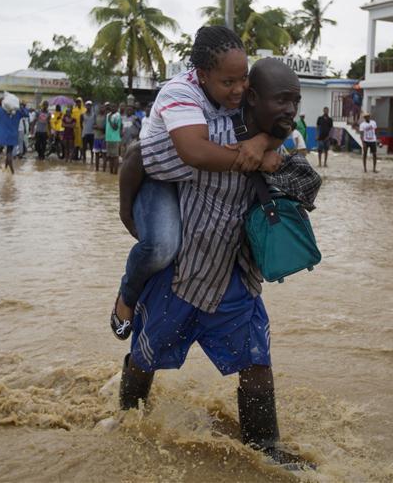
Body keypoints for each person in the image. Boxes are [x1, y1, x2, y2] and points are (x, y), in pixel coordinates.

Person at [117, 56, 318, 468]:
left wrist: (266, 150)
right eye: (281, 101)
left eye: (295, 102)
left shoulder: (286, 143)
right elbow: (139, 156)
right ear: (252, 97)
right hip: (182, 276)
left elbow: (310, 186)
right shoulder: (204, 136)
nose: (290, 111)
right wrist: (127, 214)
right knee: (143, 356)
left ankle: (266, 451)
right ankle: (123, 421)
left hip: (236, 279)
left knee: (257, 363)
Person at [111, 27, 279, 342]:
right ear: (201, 75)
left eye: (243, 78)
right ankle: (127, 296)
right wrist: (253, 157)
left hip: (201, 180)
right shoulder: (180, 92)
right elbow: (196, 152)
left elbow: (279, 113)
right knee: (162, 246)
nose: (239, 90)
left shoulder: (239, 84)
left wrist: (263, 140)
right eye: (228, 82)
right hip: (158, 175)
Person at [0, 99, 27, 173]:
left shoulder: (1, 110)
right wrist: (21, 106)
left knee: (8, 152)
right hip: (13, 135)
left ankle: (8, 169)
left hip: (4, 135)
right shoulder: (17, 112)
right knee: (9, 151)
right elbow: (26, 114)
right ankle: (11, 170)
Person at [104, 103, 122, 174]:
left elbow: (115, 127)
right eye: (112, 107)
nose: (112, 108)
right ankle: (111, 172)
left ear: (117, 108)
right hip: (108, 138)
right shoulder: (108, 115)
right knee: (110, 156)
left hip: (115, 139)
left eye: (114, 107)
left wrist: (109, 120)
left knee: (115, 157)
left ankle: (115, 172)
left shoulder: (117, 115)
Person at [94, 103, 107, 171]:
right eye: (101, 107)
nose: (102, 109)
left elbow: (106, 129)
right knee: (96, 155)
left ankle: (104, 170)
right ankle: (96, 170)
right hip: (96, 137)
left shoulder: (106, 117)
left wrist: (98, 127)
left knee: (104, 155)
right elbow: (93, 125)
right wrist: (97, 127)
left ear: (105, 109)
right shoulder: (96, 116)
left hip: (103, 138)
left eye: (103, 107)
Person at [82, 100, 95, 164]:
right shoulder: (83, 115)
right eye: (87, 105)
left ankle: (92, 160)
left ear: (91, 106)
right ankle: (84, 159)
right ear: (85, 106)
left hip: (92, 133)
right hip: (85, 133)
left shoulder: (94, 115)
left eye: (90, 105)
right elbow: (80, 124)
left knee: (92, 148)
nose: (88, 106)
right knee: (84, 148)